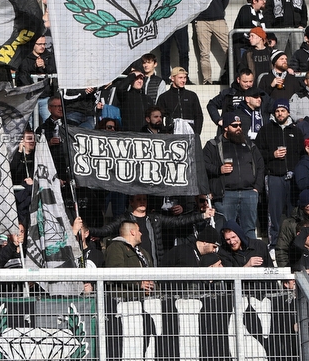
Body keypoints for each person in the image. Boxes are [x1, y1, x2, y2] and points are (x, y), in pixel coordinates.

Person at [86, 193, 215, 266]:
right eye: (139, 200)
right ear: (131, 202)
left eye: (144, 199)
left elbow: (179, 221)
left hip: (154, 265)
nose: (142, 202)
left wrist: (202, 215)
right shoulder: (124, 219)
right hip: (134, 266)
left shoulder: (155, 218)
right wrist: (87, 230)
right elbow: (105, 230)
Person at [202, 110, 264, 243]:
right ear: (225, 127)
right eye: (235, 125)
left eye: (240, 125)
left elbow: (260, 165)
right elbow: (202, 165)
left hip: (249, 193)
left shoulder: (249, 144)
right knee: (225, 230)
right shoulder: (213, 145)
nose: (239, 128)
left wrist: (257, 188)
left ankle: (251, 258)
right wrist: (218, 169)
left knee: (249, 229)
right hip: (226, 195)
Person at [256, 98, 304, 248]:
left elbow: (302, 154)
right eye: (277, 111)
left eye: (283, 110)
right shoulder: (265, 130)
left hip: (293, 178)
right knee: (274, 213)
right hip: (273, 176)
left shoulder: (296, 131)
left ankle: (292, 243)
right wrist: (273, 154)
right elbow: (257, 154)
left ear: (288, 112)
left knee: (293, 212)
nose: (280, 113)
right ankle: (274, 243)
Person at [193, 0, 230, 85]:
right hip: (201, 20)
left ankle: (232, 75)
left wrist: (219, 10)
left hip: (217, 19)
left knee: (229, 50)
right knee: (204, 53)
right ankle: (207, 81)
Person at [101, 220, 155, 293]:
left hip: (148, 298)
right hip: (126, 299)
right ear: (132, 232)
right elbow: (116, 271)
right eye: (138, 231)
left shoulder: (143, 252)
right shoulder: (116, 247)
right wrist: (138, 284)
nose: (141, 233)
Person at [16, 36, 57, 121]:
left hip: (44, 97)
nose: (42, 46)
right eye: (39, 44)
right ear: (33, 44)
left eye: (44, 44)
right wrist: (34, 66)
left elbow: (54, 69)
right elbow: (22, 71)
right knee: (27, 124)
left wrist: (44, 66)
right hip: (28, 98)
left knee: (49, 122)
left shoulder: (49, 55)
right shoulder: (24, 56)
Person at [156, 67, 203, 135]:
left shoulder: (192, 95)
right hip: (171, 135)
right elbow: (158, 117)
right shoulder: (164, 97)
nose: (183, 80)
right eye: (180, 77)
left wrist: (196, 133)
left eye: (185, 77)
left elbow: (198, 116)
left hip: (190, 133)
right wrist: (164, 132)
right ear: (172, 78)